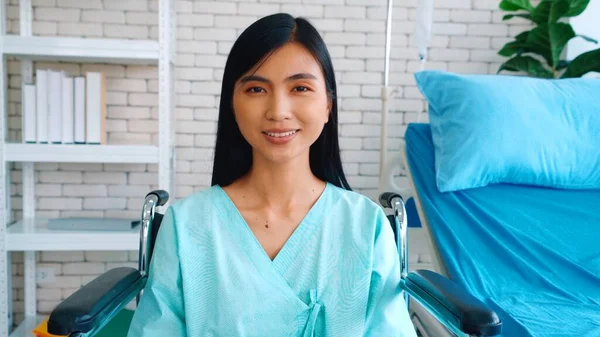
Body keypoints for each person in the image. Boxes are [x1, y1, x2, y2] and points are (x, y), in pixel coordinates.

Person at [127, 13, 417, 337]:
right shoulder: (186, 226)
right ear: (232, 105)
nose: (278, 111)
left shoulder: (366, 226)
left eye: (300, 87)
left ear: (327, 106)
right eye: (256, 89)